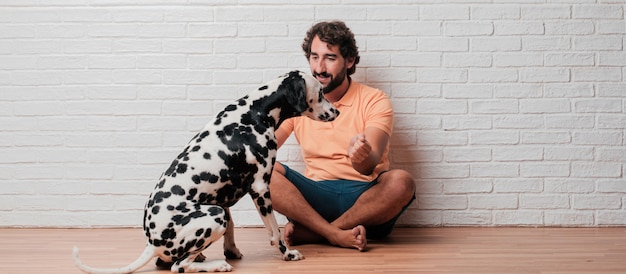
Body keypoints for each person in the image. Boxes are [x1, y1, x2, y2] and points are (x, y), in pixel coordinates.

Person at [269, 20, 416, 251]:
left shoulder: (374, 100)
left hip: (366, 200)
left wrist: (360, 155)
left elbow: (368, 166)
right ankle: (334, 233)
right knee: (263, 170)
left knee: (401, 181)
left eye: (330, 58)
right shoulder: (298, 103)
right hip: (317, 198)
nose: (319, 68)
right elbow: (265, 148)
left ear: (349, 61)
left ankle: (320, 233)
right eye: (314, 57)